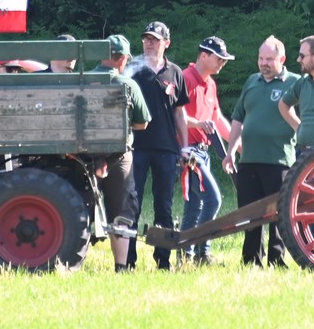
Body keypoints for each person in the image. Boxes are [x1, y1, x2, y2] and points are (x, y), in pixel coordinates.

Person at [225, 36, 301, 267]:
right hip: (249, 159)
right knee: (249, 213)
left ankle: (277, 260)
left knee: (278, 213)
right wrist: (230, 151)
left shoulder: (296, 83)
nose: (263, 63)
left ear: (282, 59)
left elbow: (308, 118)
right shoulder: (252, 81)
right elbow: (238, 118)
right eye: (261, 58)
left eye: (269, 59)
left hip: (279, 159)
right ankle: (251, 260)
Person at [126, 20, 189, 269]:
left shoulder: (175, 72)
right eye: (146, 39)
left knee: (164, 205)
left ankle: (163, 260)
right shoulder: (132, 69)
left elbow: (179, 113)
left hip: (166, 148)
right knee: (133, 203)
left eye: (154, 39)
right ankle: (128, 260)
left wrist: (185, 147)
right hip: (137, 146)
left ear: (166, 43)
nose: (149, 43)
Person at [90, 35, 151, 271]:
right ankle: (121, 266)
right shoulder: (128, 85)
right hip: (118, 155)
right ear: (123, 59)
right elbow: (143, 122)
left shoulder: (82, 80)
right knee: (122, 210)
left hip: (83, 155)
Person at [178, 36, 234, 263]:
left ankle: (186, 255)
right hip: (188, 152)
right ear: (203, 56)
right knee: (213, 199)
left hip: (203, 151)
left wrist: (237, 145)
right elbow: (177, 115)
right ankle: (202, 251)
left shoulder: (210, 84)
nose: (223, 63)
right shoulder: (185, 78)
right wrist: (198, 124)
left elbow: (217, 119)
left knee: (195, 204)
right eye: (219, 58)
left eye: (224, 59)